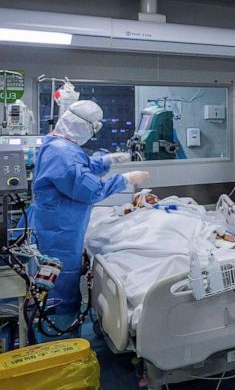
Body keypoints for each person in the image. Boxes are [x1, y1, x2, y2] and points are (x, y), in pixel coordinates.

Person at [29, 100, 148, 332]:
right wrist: (125, 179)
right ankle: (58, 331)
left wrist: (107, 160)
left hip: (56, 223)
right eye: (93, 129)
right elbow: (88, 188)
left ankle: (57, 322)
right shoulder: (61, 152)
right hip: (60, 231)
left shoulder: (57, 143)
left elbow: (79, 167)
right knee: (60, 280)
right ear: (83, 126)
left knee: (56, 277)